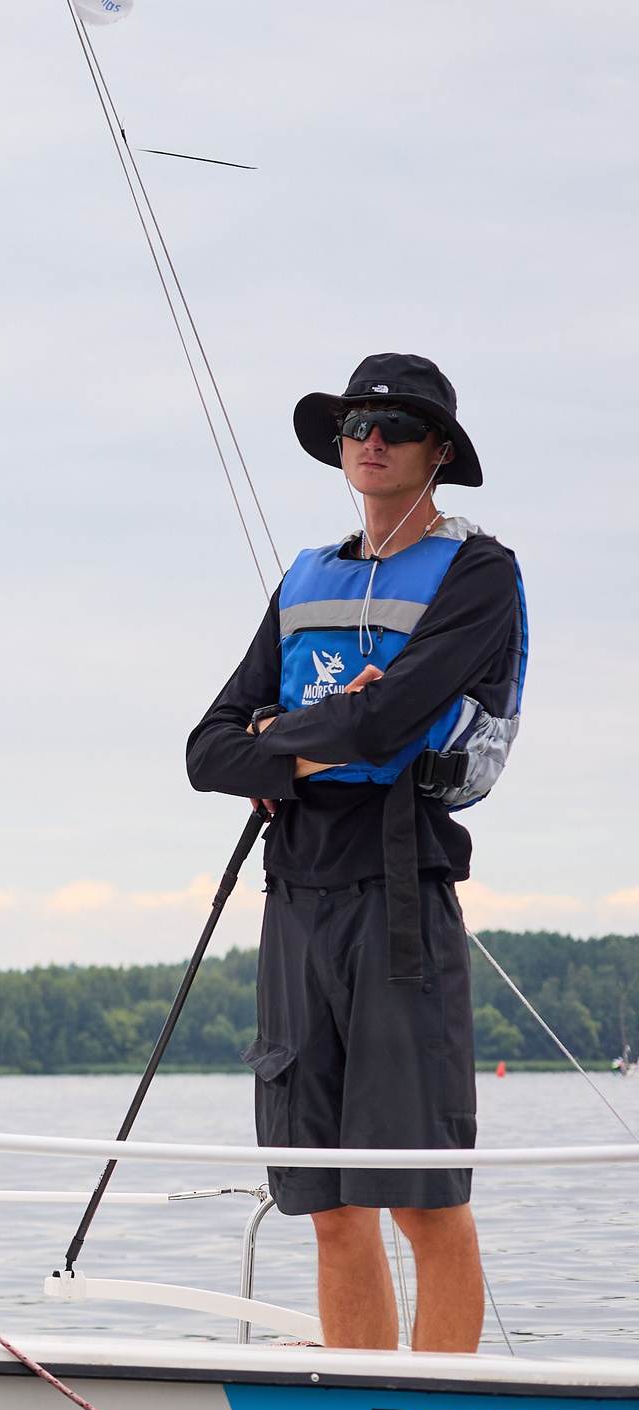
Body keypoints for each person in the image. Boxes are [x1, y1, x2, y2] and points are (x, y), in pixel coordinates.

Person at [186, 353, 527, 1353]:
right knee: (328, 1204)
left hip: (398, 894)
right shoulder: (304, 578)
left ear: (437, 454)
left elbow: (386, 725)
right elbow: (205, 751)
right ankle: (356, 1401)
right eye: (353, 426)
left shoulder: (479, 573)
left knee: (418, 1195)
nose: (369, 440)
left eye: (394, 426)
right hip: (293, 892)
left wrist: (279, 741)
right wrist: (314, 735)